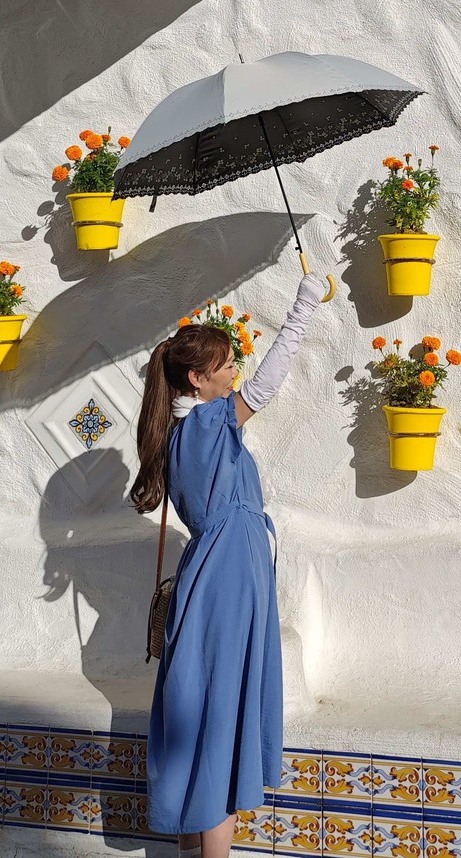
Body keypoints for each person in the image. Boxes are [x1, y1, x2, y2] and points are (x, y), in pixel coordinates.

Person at [128, 273, 327, 858]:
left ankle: (195, 845)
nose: (235, 370)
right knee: (220, 714)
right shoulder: (209, 425)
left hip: (220, 575)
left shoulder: (184, 432)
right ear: (198, 377)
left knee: (212, 705)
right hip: (228, 580)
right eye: (226, 364)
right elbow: (267, 383)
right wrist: (303, 308)